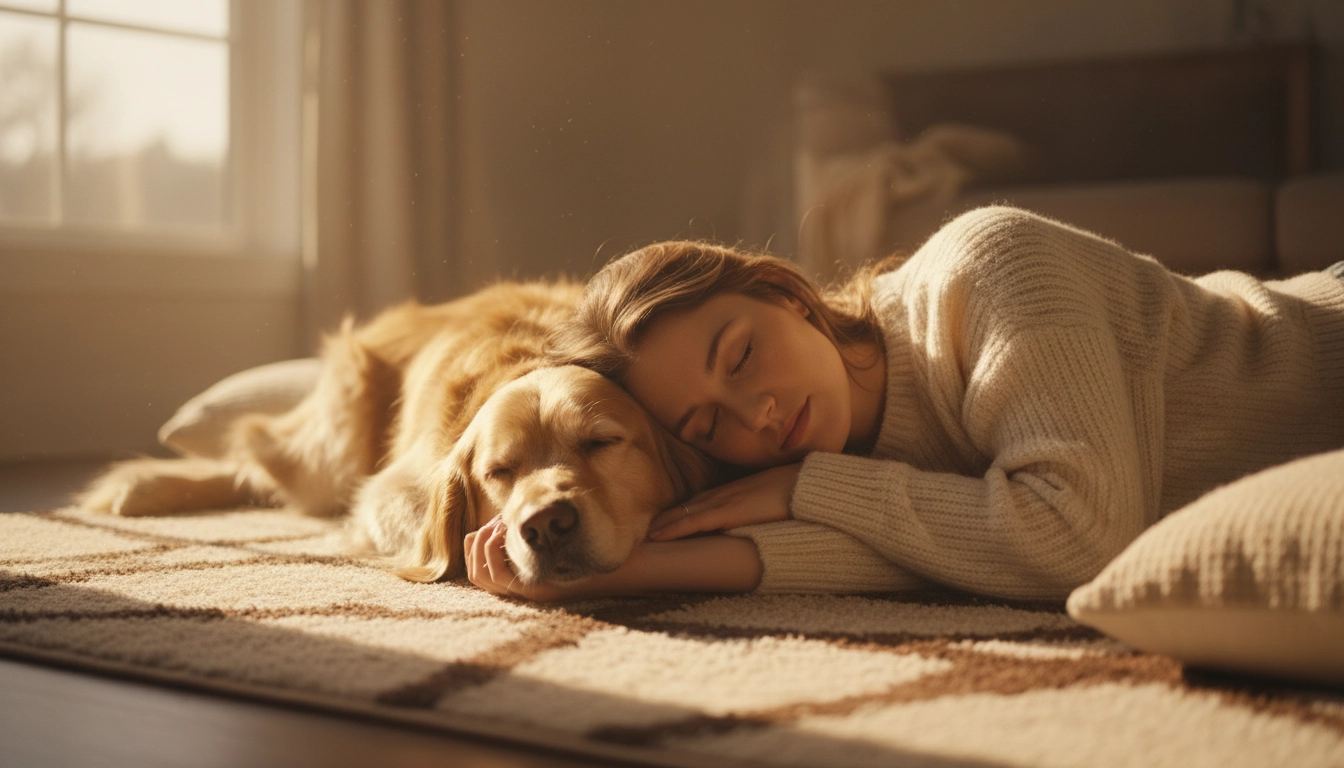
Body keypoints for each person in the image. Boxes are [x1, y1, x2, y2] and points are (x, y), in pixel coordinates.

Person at [464, 206, 1344, 602]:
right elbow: (939, 548)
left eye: (741, 355)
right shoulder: (820, 451)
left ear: (788, 295)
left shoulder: (988, 268)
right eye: (705, 425)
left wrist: (807, 490)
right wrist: (609, 568)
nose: (755, 417)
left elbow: (1077, 538)